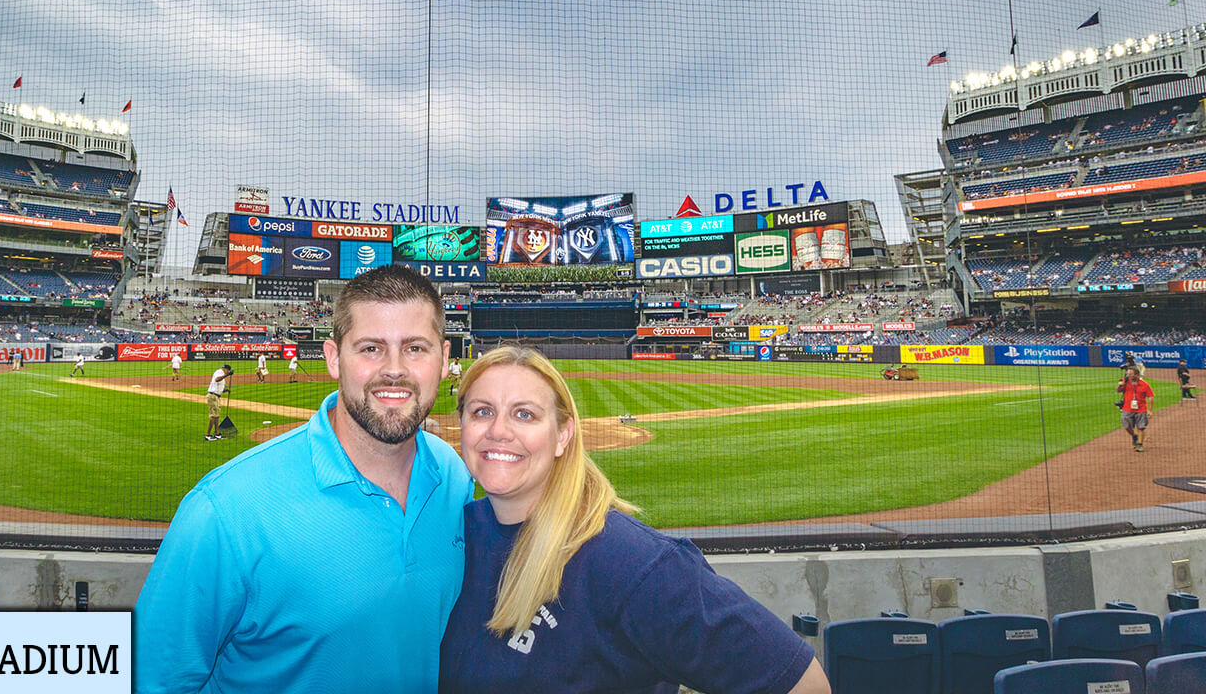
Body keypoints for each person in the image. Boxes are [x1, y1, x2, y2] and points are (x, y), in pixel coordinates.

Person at [134, 264, 474, 694]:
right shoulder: (224, 511)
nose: (394, 369)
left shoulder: (455, 479)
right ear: (333, 357)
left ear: (444, 359)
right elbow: (151, 680)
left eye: (416, 348)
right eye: (371, 348)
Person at [440, 345, 829, 694]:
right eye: (482, 412)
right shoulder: (453, 534)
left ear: (563, 436)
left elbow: (804, 685)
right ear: (463, 427)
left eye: (524, 414)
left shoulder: (628, 560)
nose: (499, 431)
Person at [1117, 364, 1154, 453]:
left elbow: (1150, 396)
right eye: (1128, 374)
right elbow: (1118, 391)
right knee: (1126, 426)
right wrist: (1120, 385)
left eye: (1130, 374)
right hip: (1127, 408)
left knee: (1141, 427)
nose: (1128, 376)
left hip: (1141, 409)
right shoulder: (1125, 382)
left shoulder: (1144, 384)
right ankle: (1134, 436)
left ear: (1136, 375)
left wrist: (1150, 410)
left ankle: (1140, 444)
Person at [204, 363, 232, 440]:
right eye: (228, 371)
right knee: (213, 416)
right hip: (212, 396)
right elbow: (217, 379)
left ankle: (217, 433)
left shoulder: (222, 375)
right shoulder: (219, 372)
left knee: (217, 416)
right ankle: (208, 435)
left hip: (216, 397)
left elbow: (219, 388)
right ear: (225, 369)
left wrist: (226, 390)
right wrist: (227, 375)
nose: (227, 372)